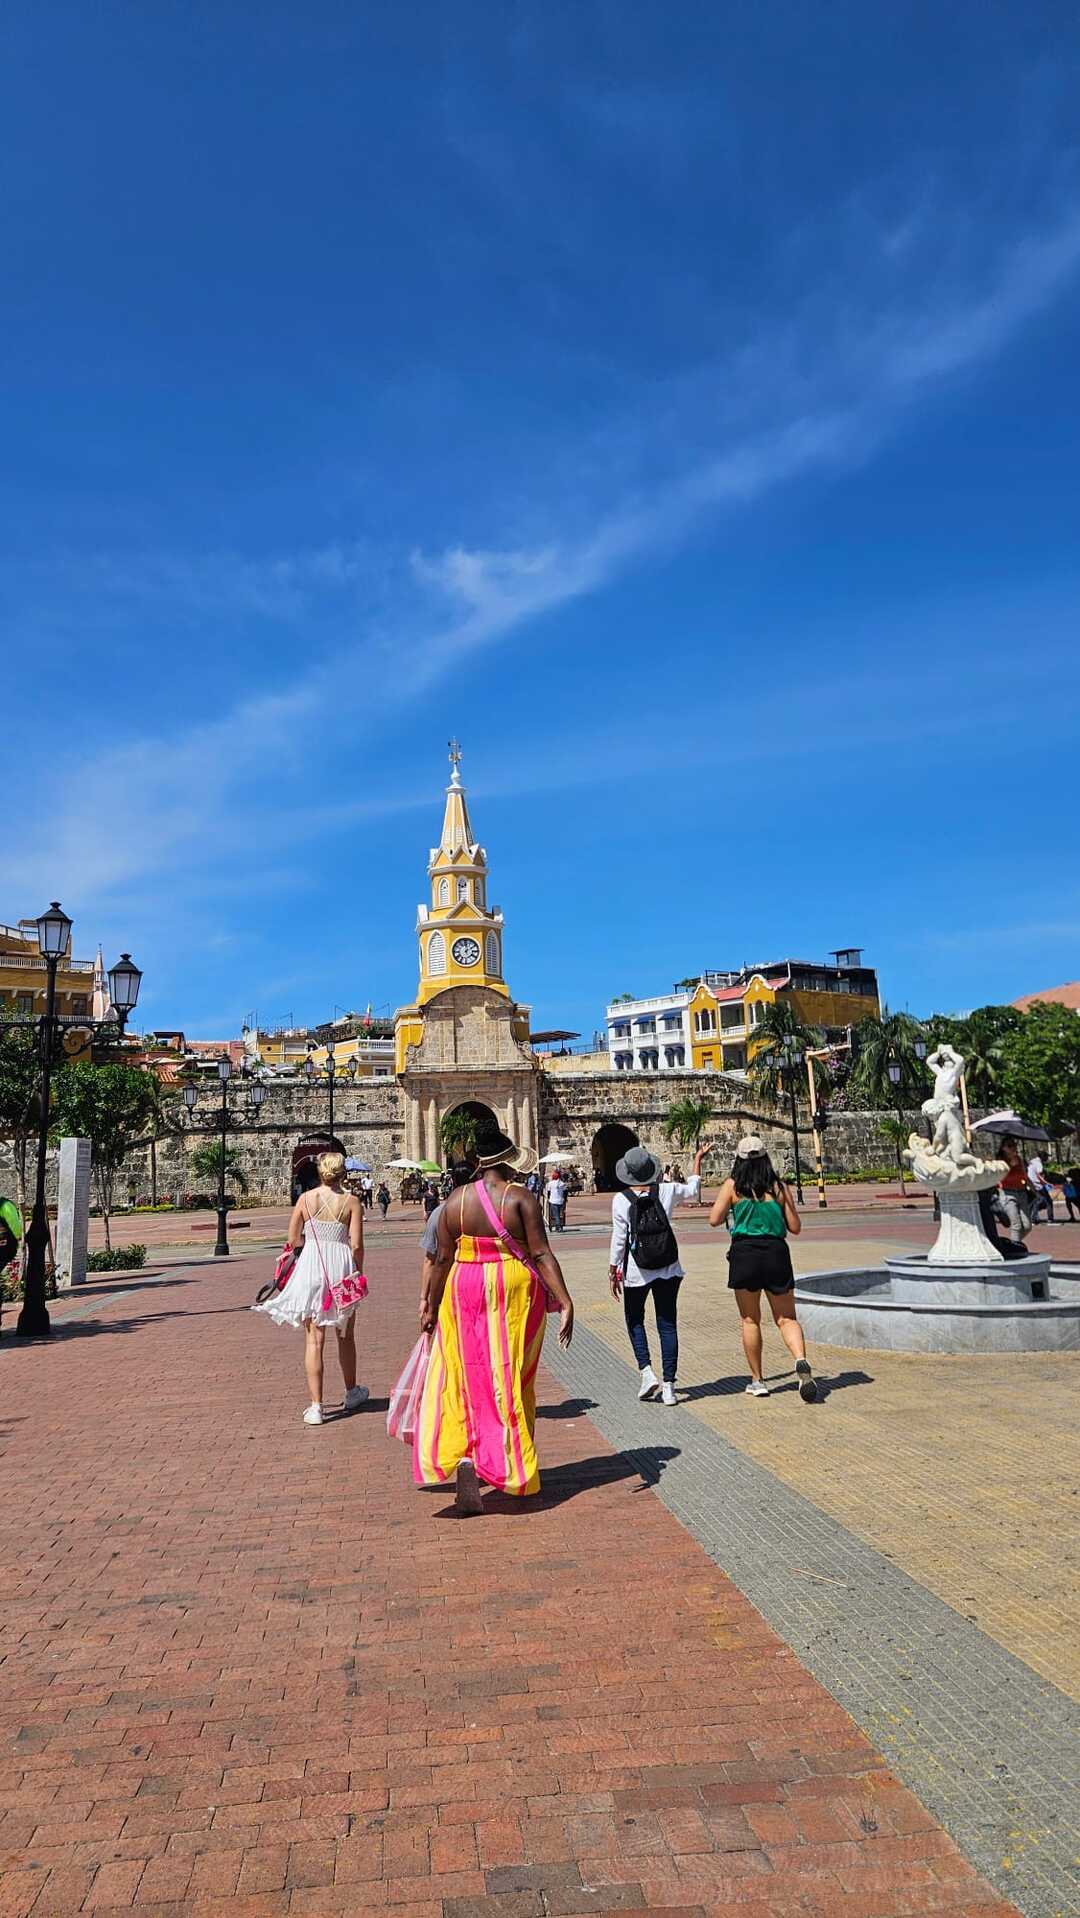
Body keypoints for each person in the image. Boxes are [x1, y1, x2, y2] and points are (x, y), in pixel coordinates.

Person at [414, 1140, 573, 1513]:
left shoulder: (454, 1201)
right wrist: (564, 1299)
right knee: (511, 1377)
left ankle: (467, 1452)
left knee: (465, 1378)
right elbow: (540, 1253)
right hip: (514, 1291)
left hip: (462, 1288)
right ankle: (509, 1464)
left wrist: (431, 1306)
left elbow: (441, 1259)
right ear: (510, 1164)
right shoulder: (521, 1199)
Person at [253, 1150, 369, 1424]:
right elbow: (356, 1245)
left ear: (321, 1173)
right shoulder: (352, 1202)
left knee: (314, 1339)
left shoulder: (305, 1199)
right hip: (341, 1266)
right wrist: (357, 1271)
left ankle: (316, 1406)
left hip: (312, 1266)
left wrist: (314, 1249)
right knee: (345, 1335)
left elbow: (293, 1239)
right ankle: (351, 1391)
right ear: (343, 1173)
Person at [708, 1134, 817, 1402]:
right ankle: (800, 1359)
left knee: (750, 1319)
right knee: (786, 1318)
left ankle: (757, 1380)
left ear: (739, 1159)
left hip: (745, 1254)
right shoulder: (778, 1187)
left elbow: (714, 1219)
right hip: (776, 1253)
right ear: (766, 1158)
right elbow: (795, 1227)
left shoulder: (733, 1186)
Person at [609, 1144, 706, 1406]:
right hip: (668, 1267)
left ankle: (647, 1372)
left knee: (634, 1320)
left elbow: (619, 1239)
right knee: (667, 1324)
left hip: (636, 1272)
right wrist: (697, 1159)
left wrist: (612, 1269)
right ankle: (670, 1387)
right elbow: (694, 1188)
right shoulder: (666, 1189)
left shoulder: (621, 1200)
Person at [997, 1136, 1032, 1244]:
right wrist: (1009, 1165)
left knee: (1027, 1226)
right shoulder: (1000, 1161)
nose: (1013, 1148)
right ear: (1003, 1148)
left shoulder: (1019, 1159)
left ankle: (1013, 1244)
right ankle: (1015, 1248)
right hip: (1008, 1194)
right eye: (1009, 1146)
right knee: (1016, 1224)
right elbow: (1000, 1176)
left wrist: (1034, 1188)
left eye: (1014, 1145)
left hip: (1021, 1192)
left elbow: (1025, 1176)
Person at [1027, 1154, 1054, 1224]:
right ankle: (1050, 1219)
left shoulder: (1032, 1161)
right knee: (1048, 1201)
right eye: (1046, 1157)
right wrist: (1047, 1183)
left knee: (1035, 1201)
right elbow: (1040, 1174)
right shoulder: (1039, 1163)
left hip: (1030, 1184)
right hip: (1037, 1185)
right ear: (1043, 1157)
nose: (1047, 1159)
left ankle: (1031, 1218)